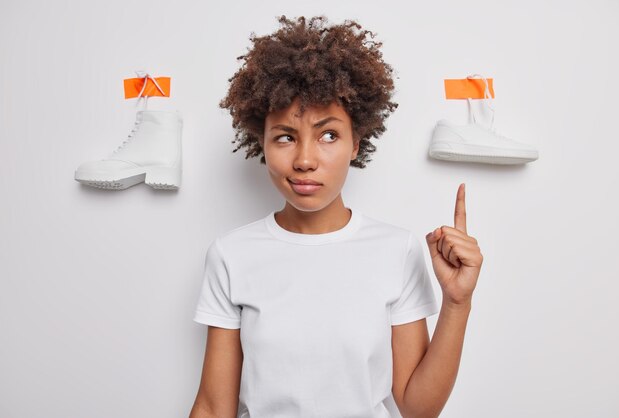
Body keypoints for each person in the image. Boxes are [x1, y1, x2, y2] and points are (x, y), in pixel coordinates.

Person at [189, 15, 483, 418]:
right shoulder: (231, 254)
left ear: (355, 144)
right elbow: (212, 407)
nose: (305, 160)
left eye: (328, 135)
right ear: (262, 143)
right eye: (285, 137)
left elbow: (418, 408)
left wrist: (457, 303)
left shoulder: (396, 250)